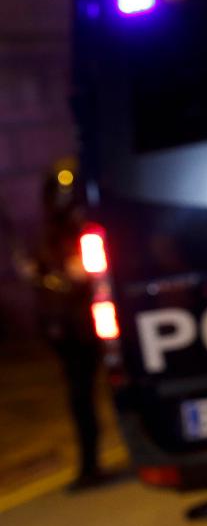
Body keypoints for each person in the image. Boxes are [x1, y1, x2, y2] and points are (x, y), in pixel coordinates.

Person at [29, 159, 106, 490]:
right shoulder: (49, 234)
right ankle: (89, 463)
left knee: (110, 387)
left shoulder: (89, 229)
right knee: (79, 395)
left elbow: (89, 275)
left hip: (92, 324)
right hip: (66, 329)